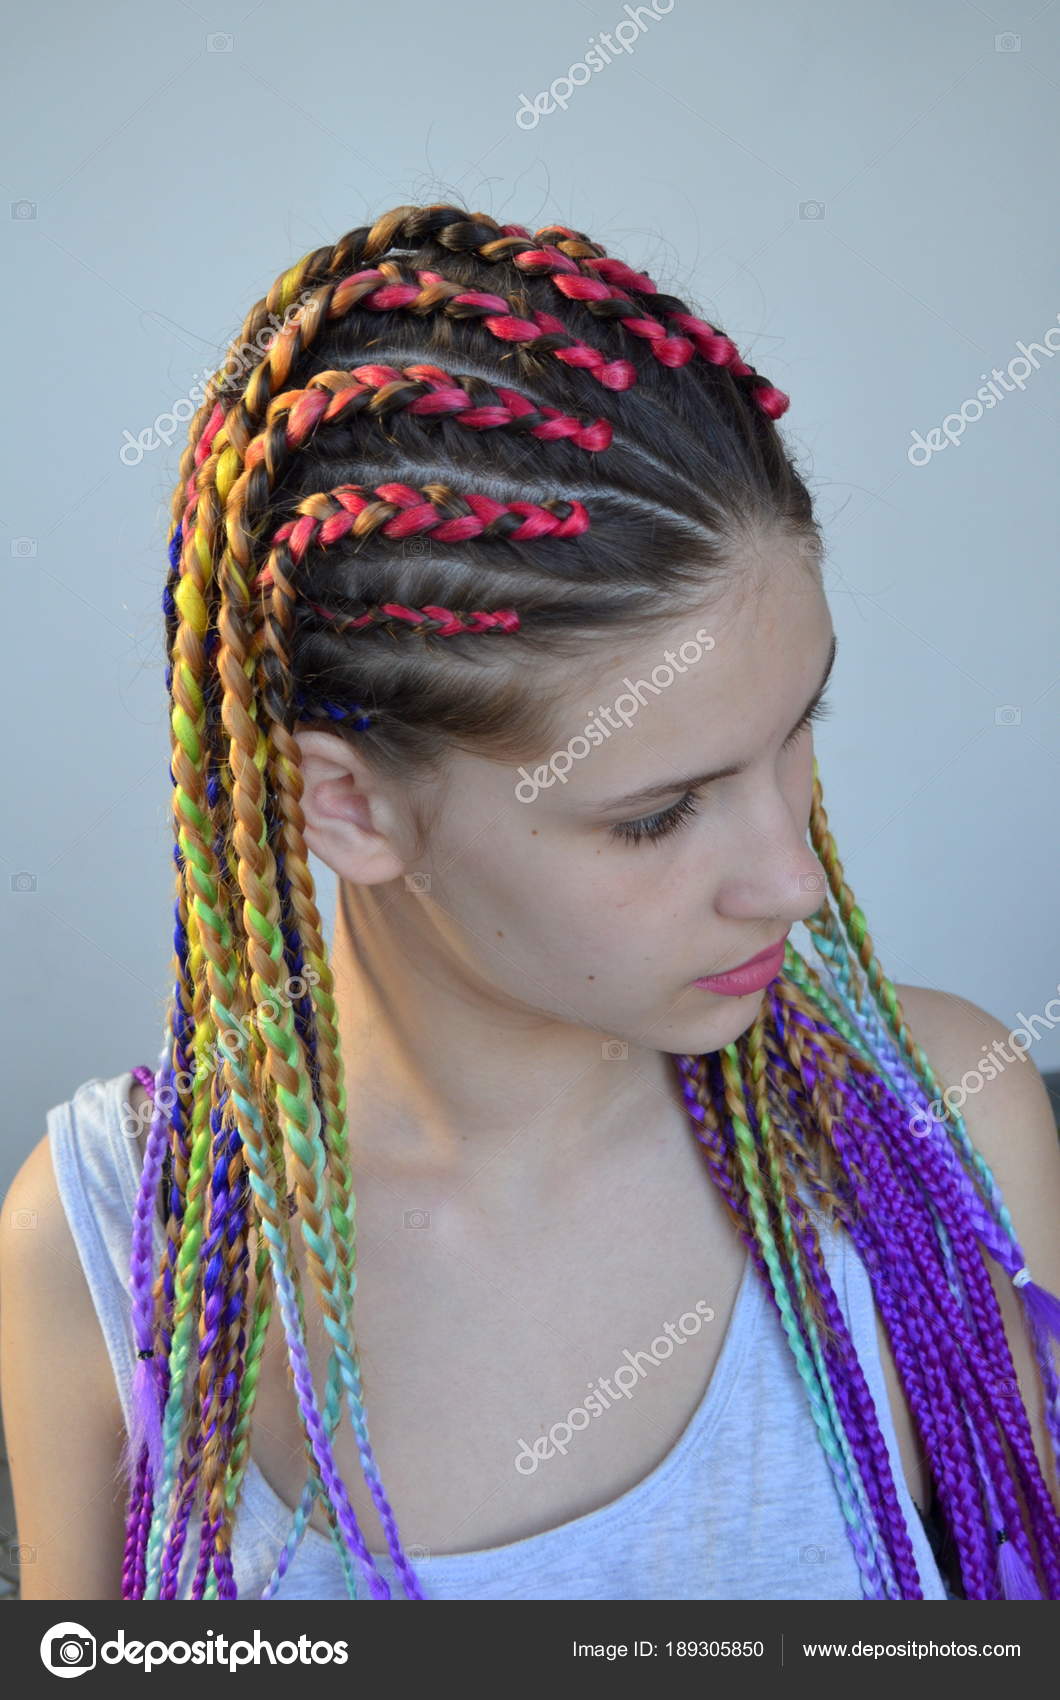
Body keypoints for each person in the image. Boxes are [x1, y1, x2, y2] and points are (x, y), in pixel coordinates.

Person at [3, 202, 1059, 1603]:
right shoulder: (107, 1241)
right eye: (658, 814)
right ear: (348, 805)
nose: (795, 879)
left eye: (798, 730)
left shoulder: (935, 1119)